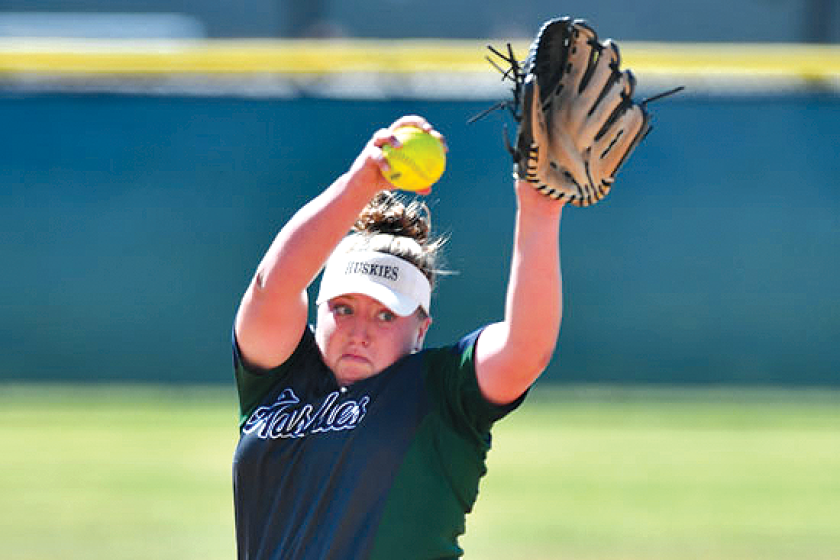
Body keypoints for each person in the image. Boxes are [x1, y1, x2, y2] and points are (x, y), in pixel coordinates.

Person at [231, 115, 564, 559]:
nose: (359, 332)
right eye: (343, 308)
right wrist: (361, 184)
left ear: (420, 328)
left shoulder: (441, 391)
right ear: (318, 308)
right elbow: (272, 286)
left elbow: (525, 349)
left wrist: (539, 211)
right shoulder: (276, 376)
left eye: (386, 315)